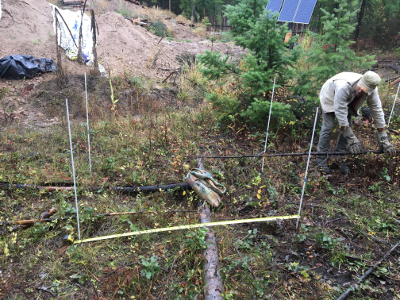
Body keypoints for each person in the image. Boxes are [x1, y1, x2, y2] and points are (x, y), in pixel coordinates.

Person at [316, 71, 396, 174]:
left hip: (349, 98)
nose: (361, 91)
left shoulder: (372, 90)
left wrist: (383, 139)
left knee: (348, 125)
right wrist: (352, 139)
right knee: (329, 126)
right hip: (330, 95)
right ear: (360, 81)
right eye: (361, 88)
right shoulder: (343, 86)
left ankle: (340, 157)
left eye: (365, 90)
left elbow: (377, 111)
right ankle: (320, 159)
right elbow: (341, 114)